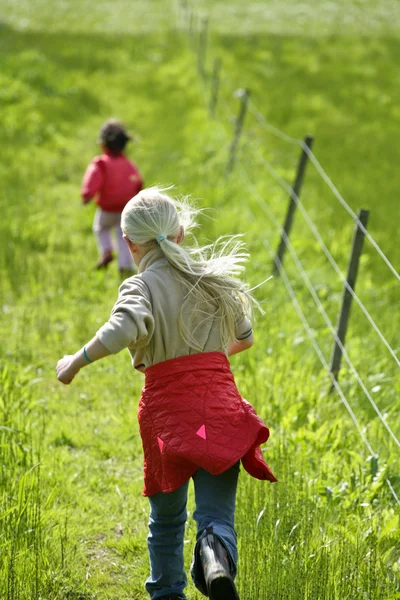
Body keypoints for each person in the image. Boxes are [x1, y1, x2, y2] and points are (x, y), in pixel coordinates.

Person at [56, 187, 277, 600]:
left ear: (129, 244)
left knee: (167, 522)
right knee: (216, 516)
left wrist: (75, 361)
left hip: (169, 416)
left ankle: (167, 593)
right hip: (221, 409)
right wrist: (206, 355)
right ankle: (213, 552)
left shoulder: (141, 286)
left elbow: (123, 329)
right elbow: (245, 338)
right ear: (179, 233)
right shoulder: (213, 279)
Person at [81, 118, 143, 273]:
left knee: (100, 228)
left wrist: (87, 195)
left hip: (106, 209)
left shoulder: (101, 163)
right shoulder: (129, 164)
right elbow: (138, 182)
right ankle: (125, 266)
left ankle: (106, 250)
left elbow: (92, 180)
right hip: (124, 209)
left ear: (102, 144)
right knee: (124, 237)